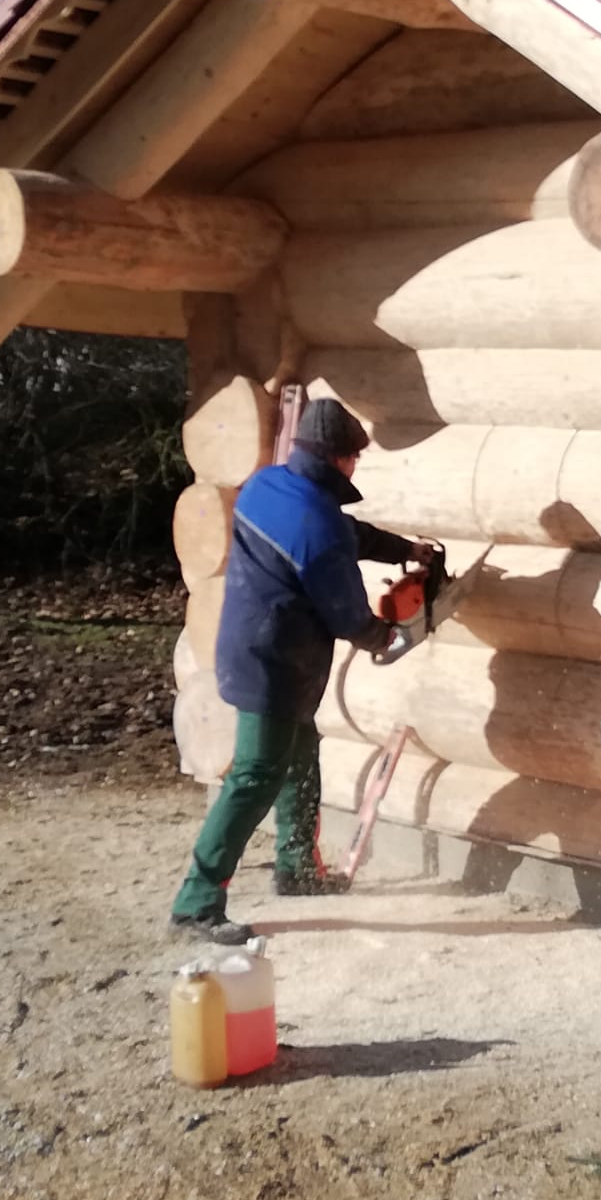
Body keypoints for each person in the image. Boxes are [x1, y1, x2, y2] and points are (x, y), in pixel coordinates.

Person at [170, 395, 433, 942]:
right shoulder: (319, 526)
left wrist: (406, 550)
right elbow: (348, 614)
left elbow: (343, 533)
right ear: (339, 458)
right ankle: (195, 903)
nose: (355, 466)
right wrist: (391, 635)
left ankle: (297, 868)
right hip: (273, 667)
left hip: (255, 649)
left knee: (299, 754)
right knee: (254, 776)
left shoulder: (268, 486)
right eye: (354, 457)